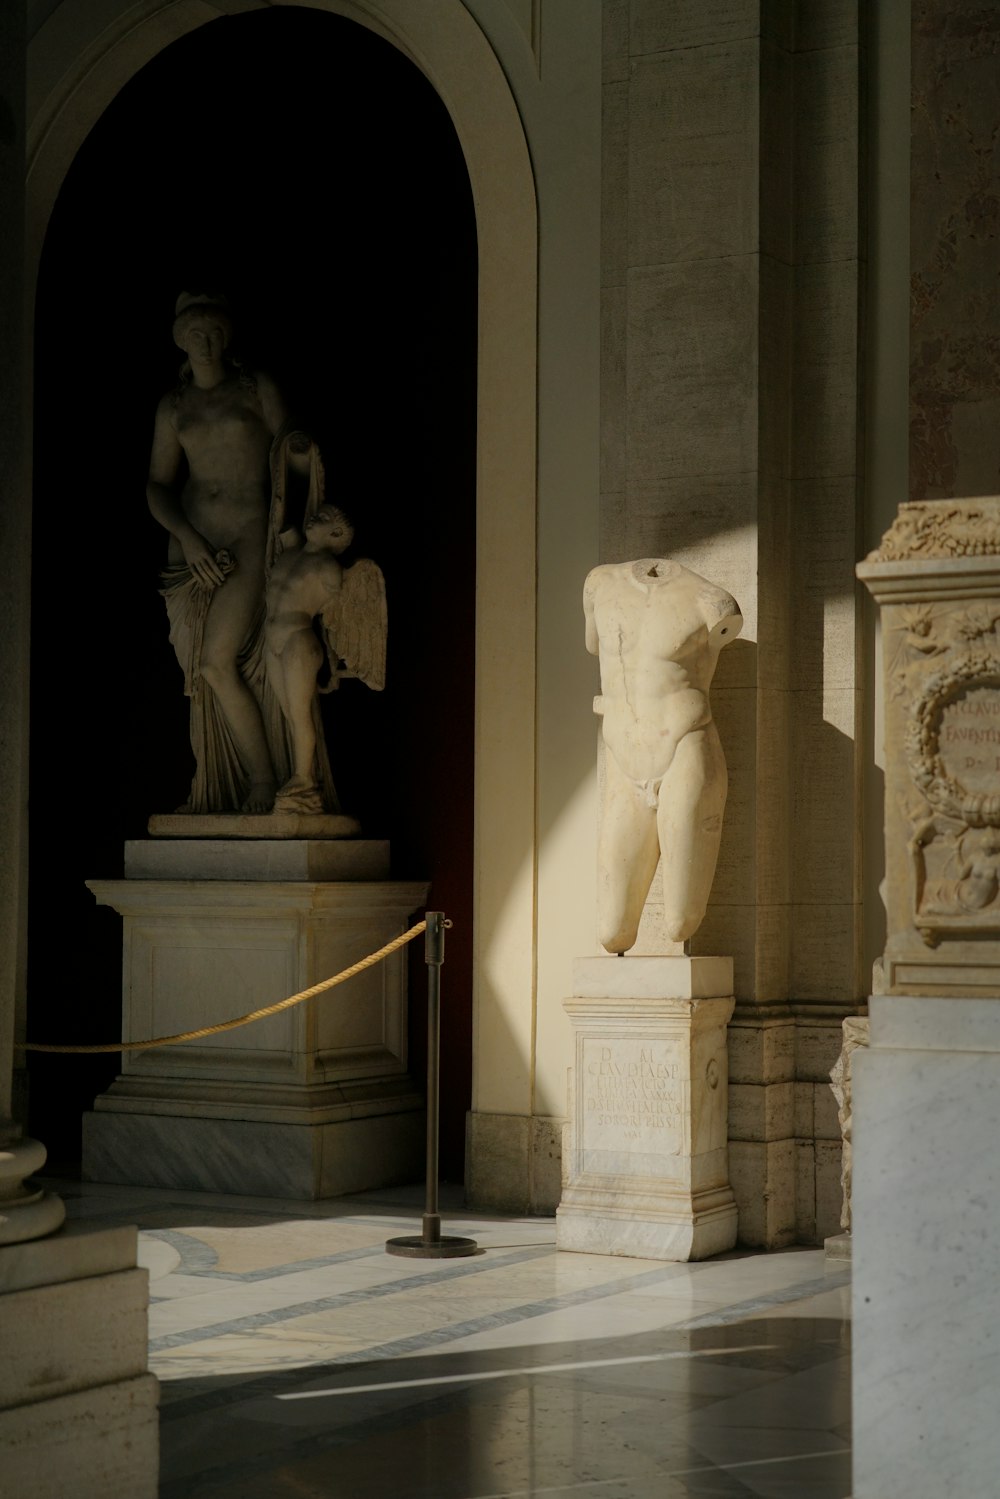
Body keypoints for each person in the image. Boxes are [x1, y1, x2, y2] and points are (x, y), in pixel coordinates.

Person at [146, 292, 329, 814]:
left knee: (217, 661)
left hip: (249, 536)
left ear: (226, 339)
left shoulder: (255, 388)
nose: (205, 344)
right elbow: (157, 485)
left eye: (214, 334)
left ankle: (263, 781)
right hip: (191, 547)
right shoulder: (173, 407)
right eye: (194, 335)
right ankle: (218, 785)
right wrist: (187, 536)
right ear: (181, 341)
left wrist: (300, 449)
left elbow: (293, 449)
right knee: (201, 674)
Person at [583, 558, 742, 953]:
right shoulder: (599, 584)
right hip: (624, 760)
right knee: (612, 933)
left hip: (685, 750)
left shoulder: (713, 602)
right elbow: (592, 645)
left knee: (680, 921)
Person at [264, 506, 386, 814]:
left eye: (324, 519)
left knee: (300, 714)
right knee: (289, 716)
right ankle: (299, 778)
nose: (314, 518)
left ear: (335, 534)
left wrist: (334, 662)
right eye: (316, 515)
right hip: (273, 642)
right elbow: (281, 512)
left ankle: (305, 782)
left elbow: (334, 618)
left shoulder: (328, 566)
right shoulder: (290, 552)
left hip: (298, 641)